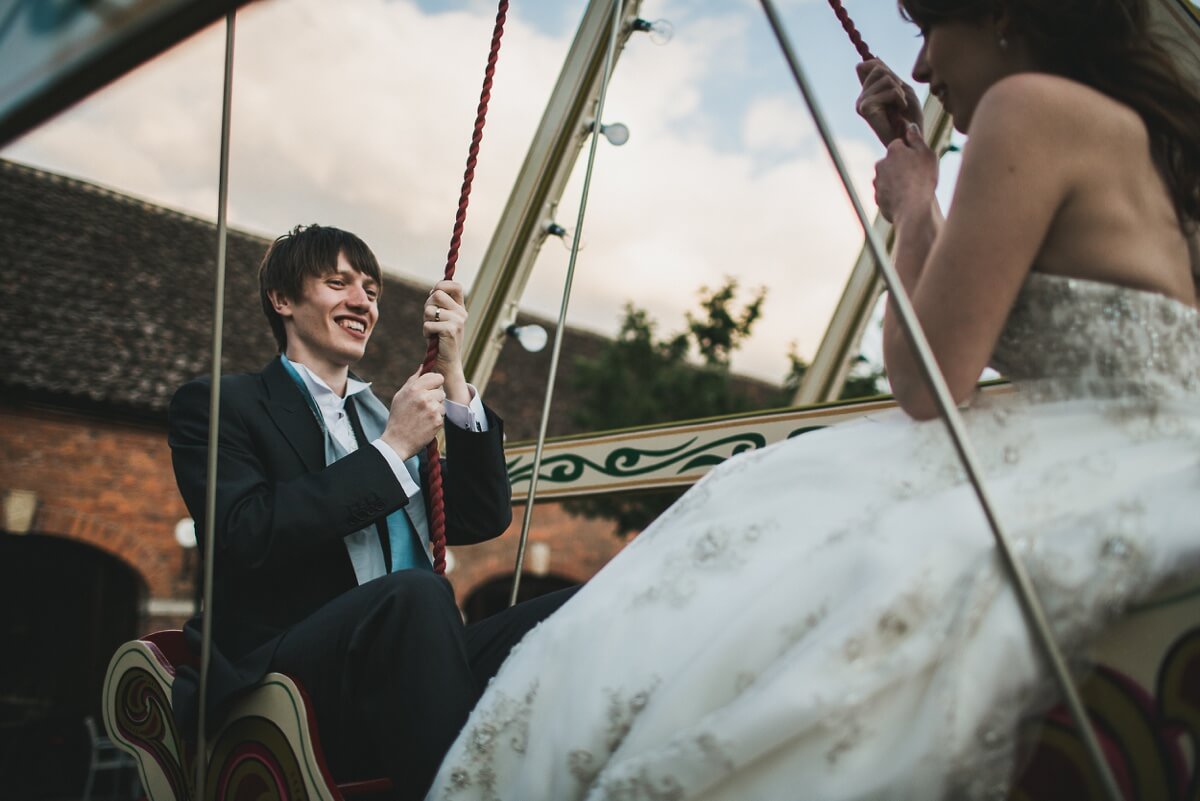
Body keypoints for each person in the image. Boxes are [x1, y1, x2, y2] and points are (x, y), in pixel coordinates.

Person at [424, 0, 1200, 798]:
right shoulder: (1142, 136)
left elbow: (927, 378)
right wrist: (913, 167)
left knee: (741, 550)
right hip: (1138, 442)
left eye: (931, 30)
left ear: (1001, 14)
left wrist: (906, 206)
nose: (925, 68)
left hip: (1080, 437)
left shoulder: (1028, 105)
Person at [167, 224, 575, 799]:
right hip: (287, 673)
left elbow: (482, 516)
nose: (363, 301)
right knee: (415, 593)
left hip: (417, 657)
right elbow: (244, 534)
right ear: (282, 300)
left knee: (573, 609)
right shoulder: (222, 405)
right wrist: (392, 450)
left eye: (372, 291)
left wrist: (454, 375)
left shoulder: (381, 415)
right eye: (338, 283)